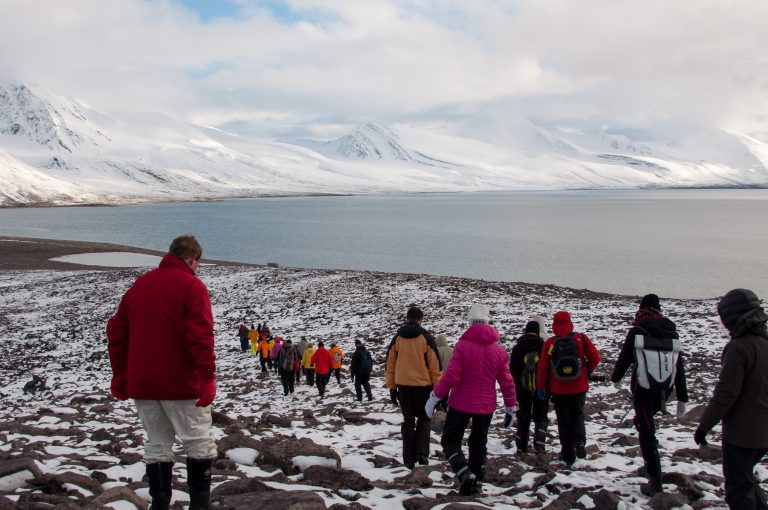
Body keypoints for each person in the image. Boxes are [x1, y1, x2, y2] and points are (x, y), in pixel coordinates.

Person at [106, 235, 216, 510]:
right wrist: (206, 378)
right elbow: (201, 337)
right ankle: (200, 505)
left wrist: (120, 375)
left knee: (157, 444)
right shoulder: (192, 286)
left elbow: (117, 333)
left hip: (144, 384)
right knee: (198, 442)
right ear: (193, 259)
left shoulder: (140, 286)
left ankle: (160, 504)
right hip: (181, 384)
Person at [425, 304, 517, 495]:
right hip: (486, 405)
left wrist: (435, 397)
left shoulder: (463, 347)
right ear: (487, 321)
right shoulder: (499, 351)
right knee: (478, 442)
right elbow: (507, 382)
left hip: (461, 403)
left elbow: (450, 376)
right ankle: (476, 481)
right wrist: (510, 407)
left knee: (450, 442)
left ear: (470, 322)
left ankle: (465, 474)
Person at [695, 289, 768, 509]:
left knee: (739, 489)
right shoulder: (765, 343)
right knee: (747, 479)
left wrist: (704, 426)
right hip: (764, 433)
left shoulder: (739, 348)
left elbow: (726, 393)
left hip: (742, 434)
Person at [610, 293, 689, 496]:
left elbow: (625, 358)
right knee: (646, 425)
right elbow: (678, 365)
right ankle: (651, 466)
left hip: (643, 389)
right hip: (664, 389)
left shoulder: (638, 329)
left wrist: (616, 379)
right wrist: (682, 397)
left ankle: (655, 481)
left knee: (646, 431)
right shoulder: (671, 332)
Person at [536, 310, 601, 467]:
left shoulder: (551, 343)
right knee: (578, 414)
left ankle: (567, 454)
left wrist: (541, 387)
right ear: (570, 322)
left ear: (554, 324)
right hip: (579, 386)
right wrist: (587, 372)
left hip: (559, 389)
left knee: (563, 421)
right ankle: (579, 441)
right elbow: (595, 358)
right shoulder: (581, 338)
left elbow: (543, 367)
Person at [385, 305, 442, 469]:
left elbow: (390, 364)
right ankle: (422, 454)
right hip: (424, 387)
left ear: (407, 318)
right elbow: (435, 368)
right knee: (424, 419)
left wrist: (392, 387)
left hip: (403, 387)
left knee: (408, 421)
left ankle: (408, 459)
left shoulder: (397, 338)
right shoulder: (426, 338)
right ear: (420, 320)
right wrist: (438, 392)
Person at [510, 320, 549, 454]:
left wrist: (515, 388)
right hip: (541, 388)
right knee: (541, 416)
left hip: (522, 389)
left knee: (523, 417)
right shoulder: (544, 346)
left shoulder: (518, 347)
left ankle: (521, 446)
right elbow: (548, 369)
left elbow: (513, 370)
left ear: (526, 331)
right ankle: (539, 444)